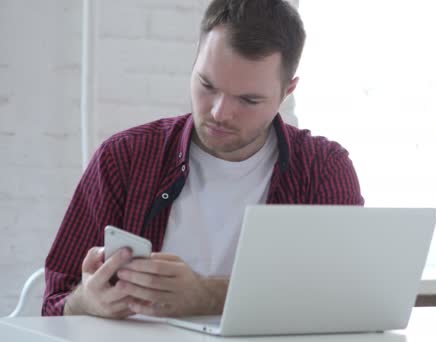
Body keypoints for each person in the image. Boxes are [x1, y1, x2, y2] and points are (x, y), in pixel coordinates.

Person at [43, 0, 363, 318]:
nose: (219, 112)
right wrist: (85, 302)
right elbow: (54, 302)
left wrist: (209, 296)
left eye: (249, 99)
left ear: (287, 91)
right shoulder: (123, 158)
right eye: (207, 85)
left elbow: (346, 298)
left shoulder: (323, 170)